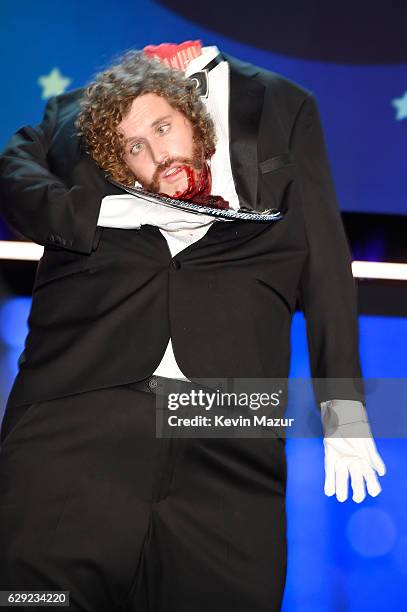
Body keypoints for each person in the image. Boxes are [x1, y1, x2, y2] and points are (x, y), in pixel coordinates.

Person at [0, 44, 385, 611]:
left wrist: (343, 410)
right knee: (34, 600)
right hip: (77, 409)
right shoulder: (73, 111)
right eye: (136, 143)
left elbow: (324, 260)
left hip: (231, 420)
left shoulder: (284, 102)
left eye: (164, 126)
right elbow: (13, 174)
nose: (155, 150)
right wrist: (96, 212)